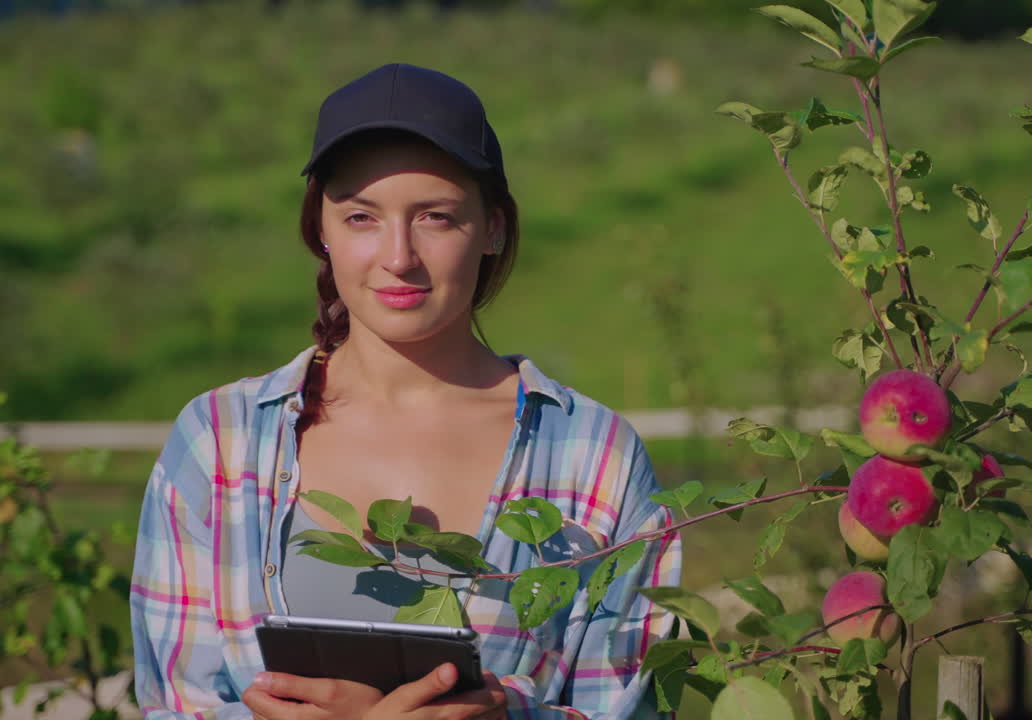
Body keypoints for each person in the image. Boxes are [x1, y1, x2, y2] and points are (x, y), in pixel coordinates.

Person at [129, 64, 683, 719]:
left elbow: (633, 706)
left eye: (436, 218)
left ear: (494, 229)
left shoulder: (595, 456)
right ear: (322, 231)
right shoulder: (218, 440)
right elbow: (174, 703)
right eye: (362, 216)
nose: (398, 256)